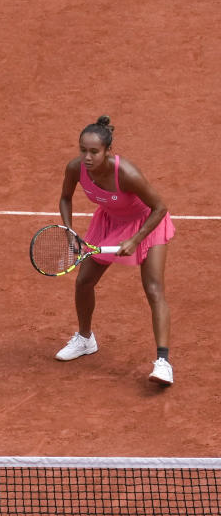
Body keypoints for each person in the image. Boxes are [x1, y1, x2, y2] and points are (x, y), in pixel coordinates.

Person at [55, 116, 175, 385]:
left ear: (108, 151)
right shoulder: (76, 168)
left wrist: (135, 239)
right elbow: (65, 197)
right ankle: (85, 339)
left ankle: (163, 363)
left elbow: (160, 207)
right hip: (109, 222)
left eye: (94, 152)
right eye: (83, 150)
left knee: (154, 289)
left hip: (147, 224)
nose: (87, 157)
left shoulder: (126, 174)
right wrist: (70, 231)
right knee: (84, 282)